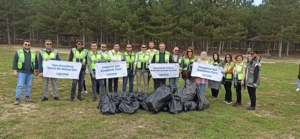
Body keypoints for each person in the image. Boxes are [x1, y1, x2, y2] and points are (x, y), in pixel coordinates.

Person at [12, 40, 38, 105]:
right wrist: (15, 70)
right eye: (25, 44)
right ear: (23, 45)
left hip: (30, 72)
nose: (27, 46)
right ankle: (17, 98)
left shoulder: (33, 52)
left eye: (28, 44)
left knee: (28, 85)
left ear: (30, 46)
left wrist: (36, 70)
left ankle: (27, 96)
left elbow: (36, 62)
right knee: (20, 85)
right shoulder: (18, 52)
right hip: (21, 72)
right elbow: (15, 61)